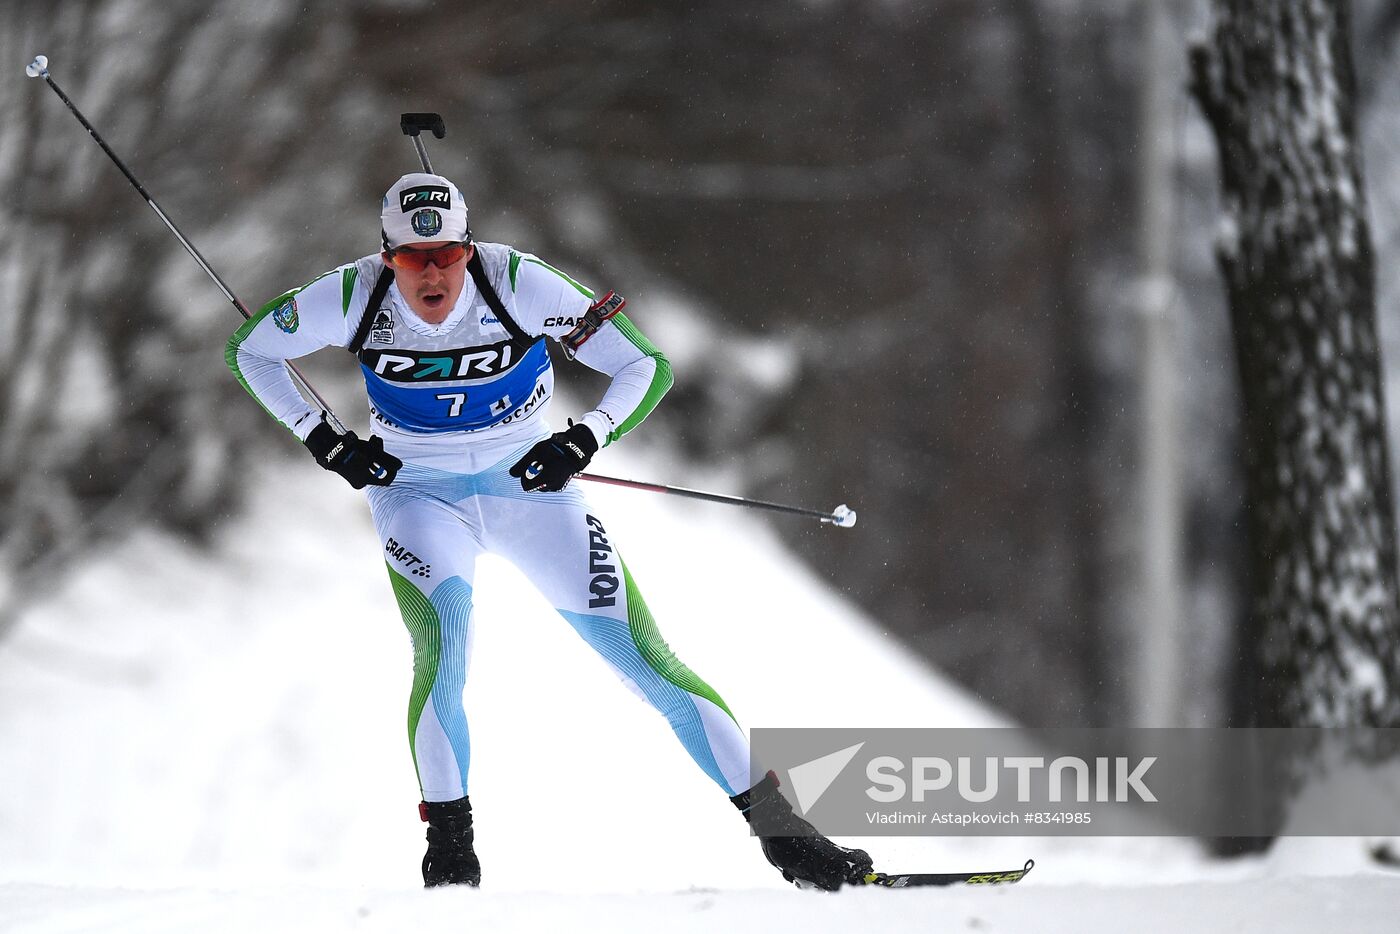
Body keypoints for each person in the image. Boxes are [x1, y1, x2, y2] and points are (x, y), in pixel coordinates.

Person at [225, 172, 873, 890]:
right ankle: (451, 856)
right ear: (387, 257)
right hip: (417, 497)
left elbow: (645, 366)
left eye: (448, 254)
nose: (433, 273)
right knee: (441, 657)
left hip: (531, 494)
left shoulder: (519, 282)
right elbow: (251, 350)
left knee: (650, 664)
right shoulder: (350, 296)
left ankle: (788, 837)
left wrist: (582, 441)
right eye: (413, 259)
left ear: (470, 250)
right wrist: (326, 439)